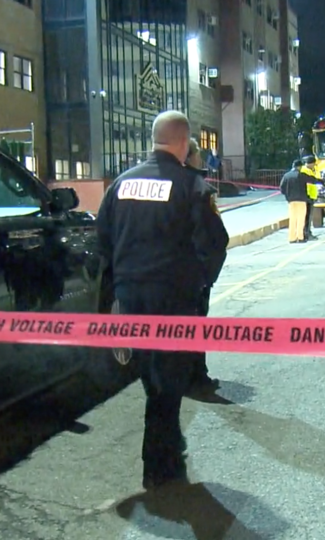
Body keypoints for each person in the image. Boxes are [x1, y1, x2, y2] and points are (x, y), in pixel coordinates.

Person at [95, 111, 229, 490]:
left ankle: (167, 451)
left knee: (154, 379)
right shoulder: (192, 187)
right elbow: (215, 244)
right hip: (173, 302)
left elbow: (102, 240)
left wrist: (118, 287)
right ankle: (160, 466)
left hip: (131, 298)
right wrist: (200, 283)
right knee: (168, 384)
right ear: (183, 144)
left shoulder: (120, 184)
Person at [184, 138, 227, 393]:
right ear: (189, 156)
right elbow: (216, 238)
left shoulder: (133, 183)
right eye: (198, 154)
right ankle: (196, 378)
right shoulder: (200, 189)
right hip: (192, 275)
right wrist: (207, 275)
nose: (201, 159)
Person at [279, 159, 309, 243]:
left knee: (292, 219)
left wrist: (287, 196)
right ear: (299, 167)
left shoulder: (286, 176)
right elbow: (312, 180)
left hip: (291, 201)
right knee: (301, 219)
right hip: (302, 200)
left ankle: (292, 238)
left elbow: (282, 188)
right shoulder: (301, 175)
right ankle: (300, 237)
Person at [300, 155, 320, 240]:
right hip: (308, 196)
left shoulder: (308, 170)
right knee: (307, 216)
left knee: (308, 216)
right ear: (311, 163)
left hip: (310, 196)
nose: (315, 165)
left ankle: (307, 232)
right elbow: (308, 184)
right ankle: (306, 233)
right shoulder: (305, 171)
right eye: (314, 164)